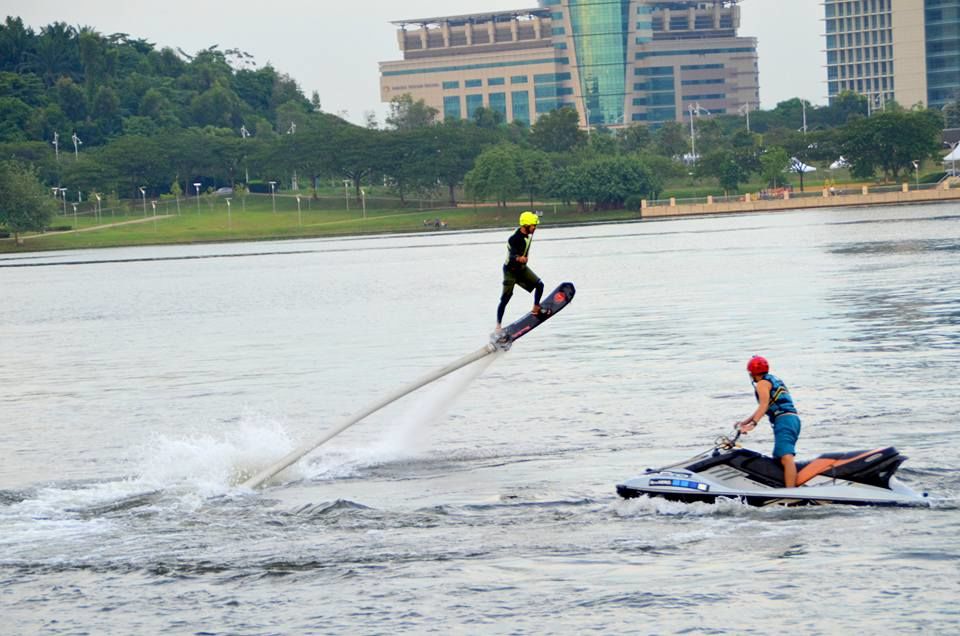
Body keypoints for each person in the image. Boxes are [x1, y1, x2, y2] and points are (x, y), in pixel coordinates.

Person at [736, 356, 802, 488]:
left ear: (751, 373)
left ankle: (791, 494)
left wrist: (752, 425)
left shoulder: (761, 384)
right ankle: (787, 484)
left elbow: (764, 406)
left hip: (784, 420)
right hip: (791, 419)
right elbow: (764, 407)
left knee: (786, 456)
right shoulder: (773, 380)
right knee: (778, 456)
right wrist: (745, 422)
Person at [495, 211, 544, 333]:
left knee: (540, 285)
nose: (535, 228)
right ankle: (498, 326)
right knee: (505, 298)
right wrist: (519, 258)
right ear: (526, 225)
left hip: (521, 270)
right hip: (510, 272)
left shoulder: (528, 236)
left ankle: (536, 307)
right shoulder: (513, 239)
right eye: (534, 225)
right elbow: (511, 255)